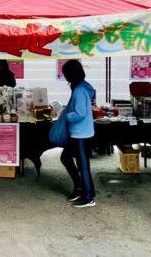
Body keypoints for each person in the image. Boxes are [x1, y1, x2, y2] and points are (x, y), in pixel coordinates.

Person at [59, 59, 97, 208]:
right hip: (82, 132)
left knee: (83, 165)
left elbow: (80, 113)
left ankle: (88, 197)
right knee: (66, 157)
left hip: (81, 133)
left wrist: (65, 116)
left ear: (71, 74)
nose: (65, 77)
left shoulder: (79, 90)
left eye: (65, 74)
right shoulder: (84, 86)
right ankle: (80, 187)